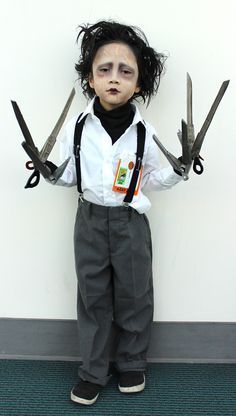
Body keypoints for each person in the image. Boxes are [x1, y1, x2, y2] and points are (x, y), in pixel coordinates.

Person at [54, 20, 183, 405]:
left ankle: (131, 362)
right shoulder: (78, 127)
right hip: (90, 219)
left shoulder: (145, 132)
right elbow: (69, 173)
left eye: (125, 71)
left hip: (130, 221)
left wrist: (177, 172)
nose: (115, 78)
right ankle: (93, 370)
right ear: (90, 80)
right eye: (104, 70)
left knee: (134, 294)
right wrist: (51, 172)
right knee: (93, 297)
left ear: (139, 83)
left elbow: (151, 179)